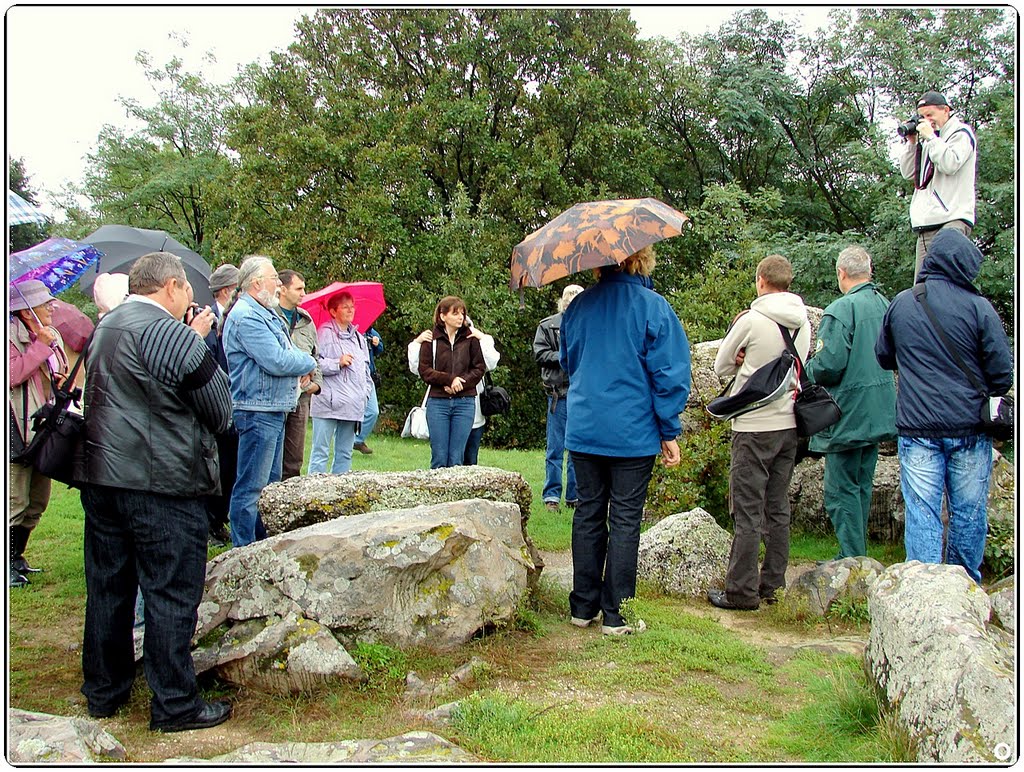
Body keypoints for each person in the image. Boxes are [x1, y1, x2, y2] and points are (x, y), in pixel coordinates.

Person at [76, 251, 233, 731]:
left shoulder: (107, 326)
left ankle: (105, 691)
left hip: (104, 478)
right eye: (188, 288)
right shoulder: (169, 333)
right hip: (162, 482)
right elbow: (221, 409)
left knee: (108, 588)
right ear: (170, 287)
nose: (191, 298)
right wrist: (196, 341)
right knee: (170, 593)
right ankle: (175, 704)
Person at [560, 248, 690, 635]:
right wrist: (669, 430)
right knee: (625, 519)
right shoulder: (654, 308)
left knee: (587, 513)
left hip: (584, 428)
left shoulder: (578, 307)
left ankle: (583, 607)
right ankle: (616, 614)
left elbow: (569, 362)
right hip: (632, 432)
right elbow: (670, 374)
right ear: (641, 259)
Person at [875, 229, 1012, 583]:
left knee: (922, 512)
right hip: (969, 429)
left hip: (917, 429)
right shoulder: (980, 308)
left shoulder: (902, 303)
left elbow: (884, 356)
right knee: (968, 513)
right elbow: (1001, 376)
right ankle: (964, 586)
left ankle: (923, 590)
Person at [708, 255, 810, 611]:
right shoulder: (804, 323)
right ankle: (773, 585)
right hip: (789, 425)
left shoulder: (752, 320)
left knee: (748, 511)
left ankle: (741, 591)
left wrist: (740, 361)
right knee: (778, 508)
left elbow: (721, 365)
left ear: (761, 280)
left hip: (753, 427)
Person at [805, 247, 897, 560]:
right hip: (878, 410)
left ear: (841, 274)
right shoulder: (886, 304)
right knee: (861, 485)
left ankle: (852, 558)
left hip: (848, 413)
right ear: (868, 271)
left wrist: (806, 369)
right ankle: (858, 555)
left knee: (839, 490)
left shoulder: (842, 309)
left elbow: (830, 363)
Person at [222, 256, 316, 547]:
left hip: (273, 408)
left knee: (268, 488)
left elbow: (287, 352)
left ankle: (261, 545)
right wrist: (308, 361)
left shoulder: (266, 313)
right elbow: (277, 359)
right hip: (256, 411)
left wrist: (299, 363)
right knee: (251, 485)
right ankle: (243, 549)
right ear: (255, 283)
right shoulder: (247, 317)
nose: (278, 283)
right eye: (274, 278)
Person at [9, 280, 69, 588]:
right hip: (16, 429)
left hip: (42, 428)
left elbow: (54, 370)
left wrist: (56, 370)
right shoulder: (10, 336)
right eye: (45, 304)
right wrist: (40, 346)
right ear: (27, 310)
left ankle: (17, 556)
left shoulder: (46, 335)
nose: (51, 307)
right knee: (14, 499)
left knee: (38, 499)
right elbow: (13, 374)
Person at [898, 90, 977, 281]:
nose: (927, 121)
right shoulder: (928, 140)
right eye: (922, 117)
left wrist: (931, 138)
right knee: (922, 289)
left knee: (946, 282)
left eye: (930, 115)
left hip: (951, 220)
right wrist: (912, 143)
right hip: (925, 225)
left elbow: (950, 163)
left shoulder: (961, 134)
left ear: (946, 111)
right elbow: (909, 172)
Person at [417, 296, 486, 469]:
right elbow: (424, 370)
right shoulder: (430, 339)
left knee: (456, 457)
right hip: (438, 402)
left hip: (465, 402)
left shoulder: (471, 339)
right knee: (439, 457)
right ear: (442, 316)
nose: (460, 317)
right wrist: (448, 379)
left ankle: (457, 496)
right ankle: (437, 494)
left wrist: (461, 383)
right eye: (455, 313)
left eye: (462, 313)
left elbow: (479, 368)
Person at [308, 292, 373, 474]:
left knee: (345, 453)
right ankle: (314, 493)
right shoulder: (323, 333)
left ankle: (340, 492)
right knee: (320, 452)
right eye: (345, 307)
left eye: (352, 306)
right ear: (333, 311)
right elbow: (314, 363)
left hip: (353, 405)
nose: (350, 310)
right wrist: (337, 362)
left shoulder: (359, 337)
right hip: (328, 402)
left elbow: (366, 371)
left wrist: (365, 393)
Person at [533, 284, 584, 511]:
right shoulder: (548, 325)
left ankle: (574, 496)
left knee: (578, 449)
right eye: (568, 296)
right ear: (562, 300)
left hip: (583, 394)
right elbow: (540, 353)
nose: (571, 300)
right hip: (558, 394)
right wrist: (565, 356)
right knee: (555, 448)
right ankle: (551, 497)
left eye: (576, 296)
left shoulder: (590, 325)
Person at [274, 269, 322, 478]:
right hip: (275, 396)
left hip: (301, 397)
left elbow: (316, 356)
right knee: (271, 458)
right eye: (299, 288)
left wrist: (316, 384)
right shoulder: (267, 317)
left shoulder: (306, 320)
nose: (304, 293)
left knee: (294, 460)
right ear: (282, 289)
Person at [353, 326, 384, 455]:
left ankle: (357, 440)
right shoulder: (347, 331)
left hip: (368, 377)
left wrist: (377, 344)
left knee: (373, 411)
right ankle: (346, 443)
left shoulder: (370, 331)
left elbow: (380, 349)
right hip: (351, 377)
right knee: (350, 413)